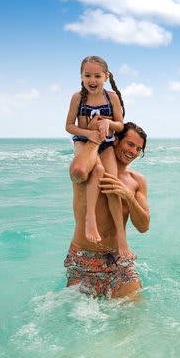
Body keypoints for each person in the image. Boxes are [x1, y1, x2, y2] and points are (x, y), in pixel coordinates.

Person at [64, 122, 149, 299]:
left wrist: (128, 197)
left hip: (118, 260)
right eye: (130, 144)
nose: (133, 152)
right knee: (83, 321)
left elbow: (143, 227)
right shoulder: (92, 169)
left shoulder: (136, 181)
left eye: (138, 149)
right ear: (116, 140)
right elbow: (76, 173)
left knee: (133, 312)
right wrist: (96, 136)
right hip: (84, 259)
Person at [65, 55, 130, 256]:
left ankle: (122, 238)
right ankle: (90, 218)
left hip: (106, 143)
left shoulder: (112, 98)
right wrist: (89, 134)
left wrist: (109, 124)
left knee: (111, 184)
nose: (92, 80)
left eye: (97, 76)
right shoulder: (77, 98)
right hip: (83, 142)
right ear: (81, 76)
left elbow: (120, 125)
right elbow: (69, 126)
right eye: (87, 75)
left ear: (106, 76)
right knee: (96, 169)